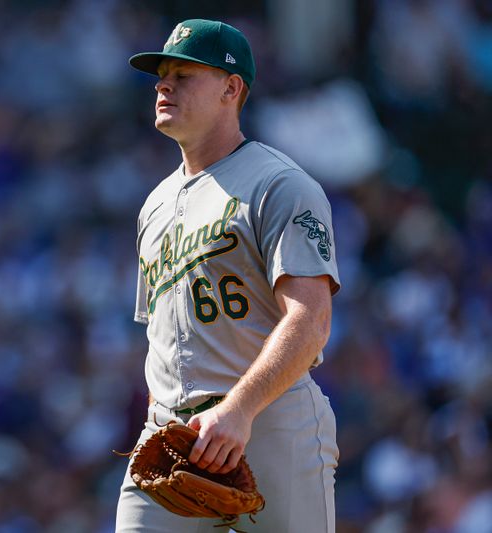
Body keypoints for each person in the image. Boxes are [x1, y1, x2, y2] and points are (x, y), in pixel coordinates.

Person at [116, 19, 340, 532]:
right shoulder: (154, 205)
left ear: (230, 88)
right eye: (161, 75)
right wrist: (157, 422)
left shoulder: (280, 185)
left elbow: (311, 321)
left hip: (270, 422)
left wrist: (239, 411)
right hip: (173, 433)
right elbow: (163, 337)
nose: (163, 85)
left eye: (183, 74)